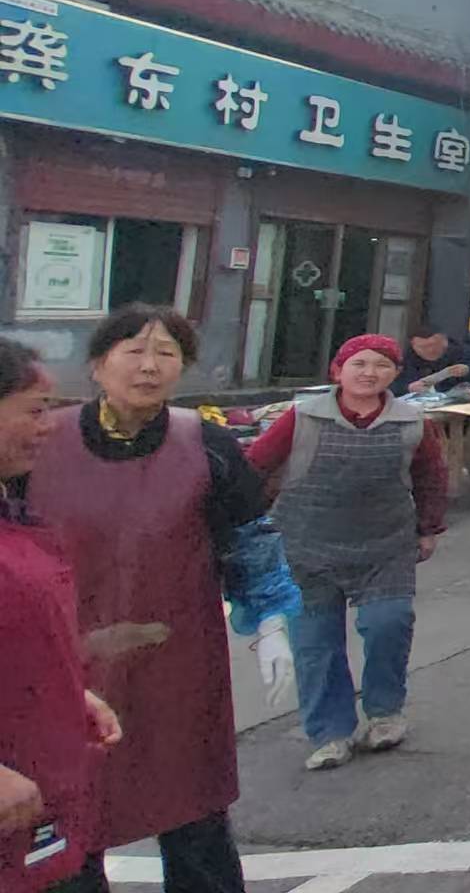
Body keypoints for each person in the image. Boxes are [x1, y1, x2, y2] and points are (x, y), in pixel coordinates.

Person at [29, 307, 295, 890]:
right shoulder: (41, 442)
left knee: (193, 812)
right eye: (133, 351)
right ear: (98, 365)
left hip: (179, 665)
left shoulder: (207, 445)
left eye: (166, 354)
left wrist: (271, 622)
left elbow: (249, 540)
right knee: (68, 815)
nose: (149, 366)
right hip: (62, 663)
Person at [245, 333, 449, 779]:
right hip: (304, 546)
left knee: (388, 624)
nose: (369, 373)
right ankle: (329, 733)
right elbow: (254, 466)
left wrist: (429, 527)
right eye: (359, 364)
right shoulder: (302, 417)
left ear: (396, 374)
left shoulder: (412, 423)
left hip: (385, 545)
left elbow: (431, 477)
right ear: (338, 371)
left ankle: (385, 713)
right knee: (315, 644)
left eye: (381, 365)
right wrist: (245, 528)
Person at [0, 337, 124, 893]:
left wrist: (67, 692)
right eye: (34, 411)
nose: (48, 427)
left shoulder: (13, 511)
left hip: (45, 809)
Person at [397, 326, 470, 399]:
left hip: (469, 403)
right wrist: (408, 388)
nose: (430, 350)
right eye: (423, 347)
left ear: (445, 341)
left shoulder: (466, 350)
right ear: (413, 346)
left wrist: (469, 370)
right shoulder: (405, 358)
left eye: (434, 345)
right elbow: (392, 385)